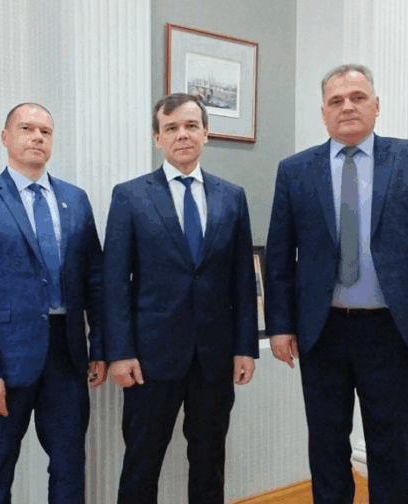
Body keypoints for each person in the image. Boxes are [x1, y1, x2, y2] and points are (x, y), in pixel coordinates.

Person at [265, 64, 408, 504]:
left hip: (389, 330)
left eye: (357, 97)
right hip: (321, 332)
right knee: (326, 446)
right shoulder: (295, 170)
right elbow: (279, 258)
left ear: (376, 105)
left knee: (392, 449)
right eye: (336, 100)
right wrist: (280, 326)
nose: (347, 107)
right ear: (323, 112)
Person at [0, 103, 107, 504]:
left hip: (67, 357)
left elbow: (96, 281)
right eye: (26, 129)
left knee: (69, 467)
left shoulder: (76, 200)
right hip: (3, 362)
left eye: (45, 132)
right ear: (5, 137)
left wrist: (101, 346)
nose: (37, 137)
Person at [103, 93, 259, 504]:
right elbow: (114, 282)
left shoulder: (232, 196)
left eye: (191, 126)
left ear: (206, 133)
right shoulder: (130, 196)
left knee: (210, 463)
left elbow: (243, 281)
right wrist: (119, 352)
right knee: (141, 463)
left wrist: (245, 347)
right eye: (171, 128)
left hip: (214, 358)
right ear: (158, 138)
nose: (182, 135)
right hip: (149, 358)